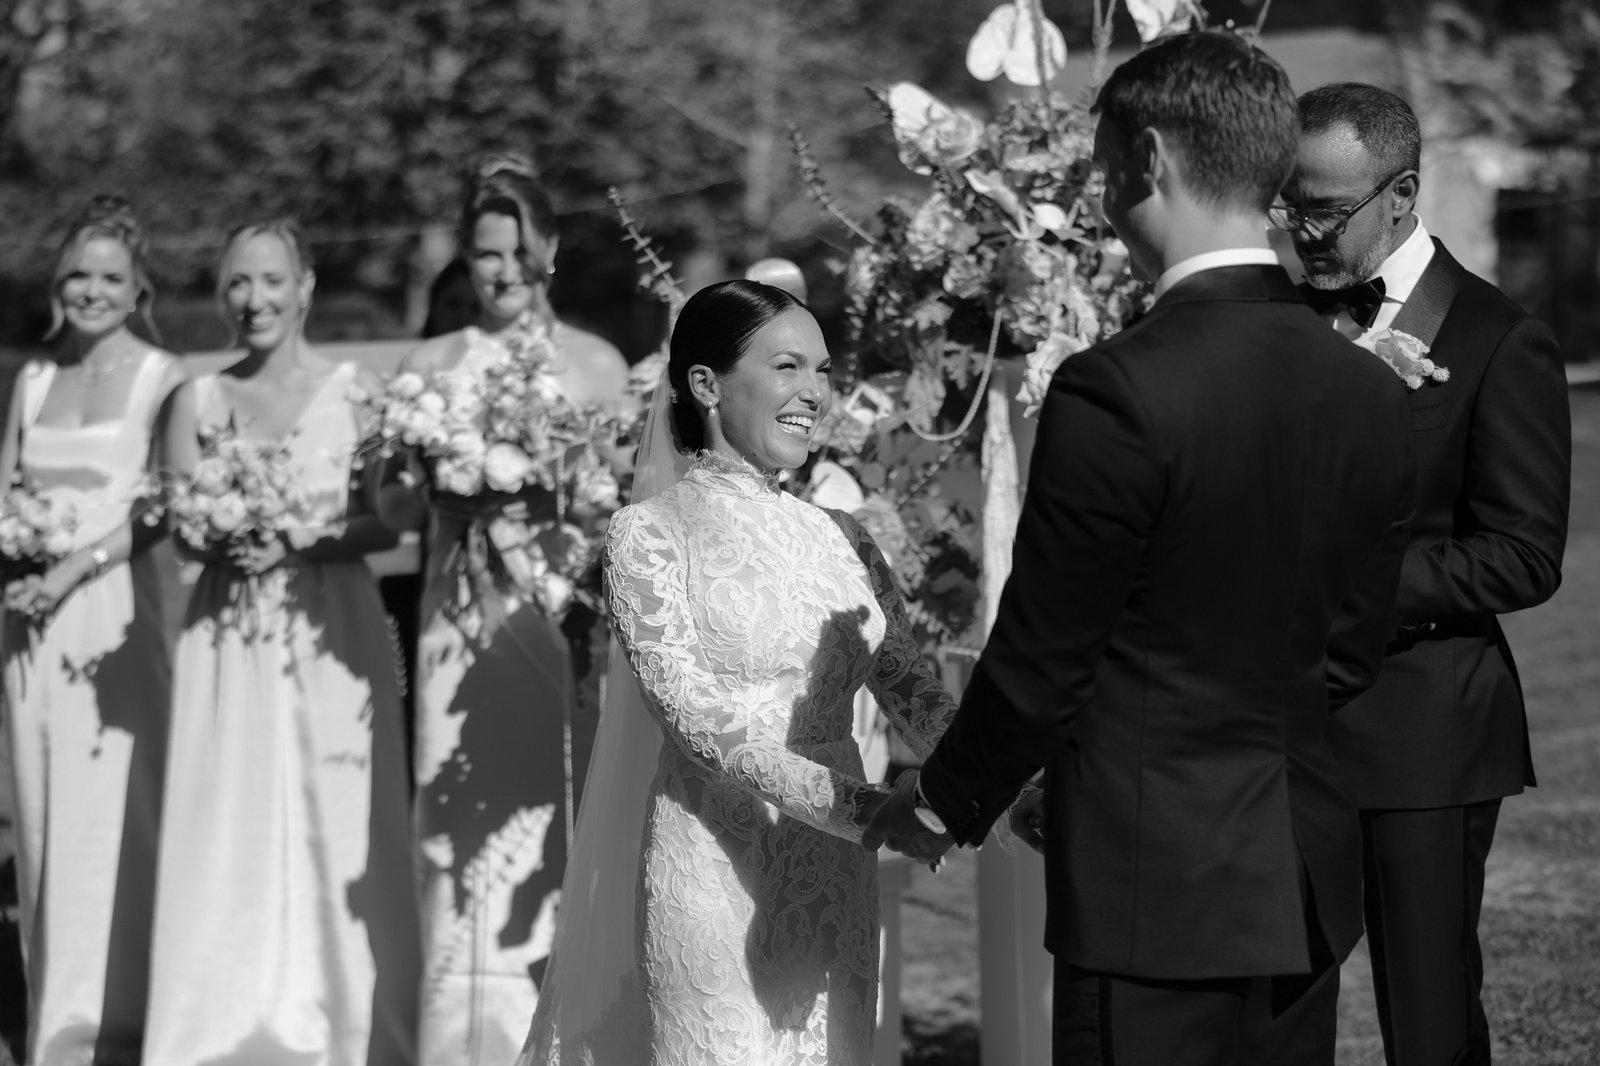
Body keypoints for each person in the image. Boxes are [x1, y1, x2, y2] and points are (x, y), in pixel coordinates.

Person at [865, 32, 1419, 1063]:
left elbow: (1042, 656)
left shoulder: (1116, 389)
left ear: (1148, 159)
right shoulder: (1368, 390)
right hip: (1300, 870)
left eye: (1106, 165)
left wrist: (941, 806)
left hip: (1150, 885)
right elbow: (1351, 646)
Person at [516, 279, 958, 1065]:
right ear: (706, 384)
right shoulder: (646, 535)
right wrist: (859, 807)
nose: (815, 393)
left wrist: (1008, 791)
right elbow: (690, 713)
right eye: (789, 367)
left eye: (823, 371)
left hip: (836, 877)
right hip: (713, 866)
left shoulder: (846, 537)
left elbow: (916, 694)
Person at [1278, 83, 1571, 1066]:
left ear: (1401, 193)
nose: (1302, 228)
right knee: (1269, 1009)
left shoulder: (1498, 338)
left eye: (1325, 207)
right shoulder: (1268, 321)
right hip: (1271, 727)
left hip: (1423, 728)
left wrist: (1345, 585)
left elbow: (1523, 552)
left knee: (1428, 1020)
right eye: (1289, 201)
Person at [141, 219, 420, 1066]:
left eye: (269, 280)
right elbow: (180, 528)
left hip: (332, 624)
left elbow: (390, 525)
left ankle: (347, 1012)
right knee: (227, 809)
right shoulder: (195, 400)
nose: (252, 300)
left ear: (305, 287)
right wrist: (222, 531)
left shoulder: (360, 392)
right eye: (236, 283)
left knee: (338, 813)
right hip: (228, 635)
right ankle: (218, 1016)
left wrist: (298, 536)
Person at [383, 152, 630, 1066]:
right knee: (452, 808)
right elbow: (393, 516)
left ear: (553, 250)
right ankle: (455, 1035)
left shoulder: (596, 365)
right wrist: (431, 478)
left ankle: (561, 1023)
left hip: (557, 611)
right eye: (485, 254)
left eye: (518, 251)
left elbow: (623, 508)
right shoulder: (429, 364)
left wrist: (559, 486)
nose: (502, 272)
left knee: (554, 809)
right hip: (457, 611)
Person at [0, 195, 192, 1066]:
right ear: (57, 284)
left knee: (117, 809)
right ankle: (60, 1019)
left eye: (110, 277)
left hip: (114, 615)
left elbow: (161, 509)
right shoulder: (32, 382)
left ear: (138, 287)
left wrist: (75, 564)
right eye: (77, 274)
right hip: (30, 627)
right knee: (40, 814)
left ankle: (128, 1016)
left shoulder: (162, 378)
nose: (91, 290)